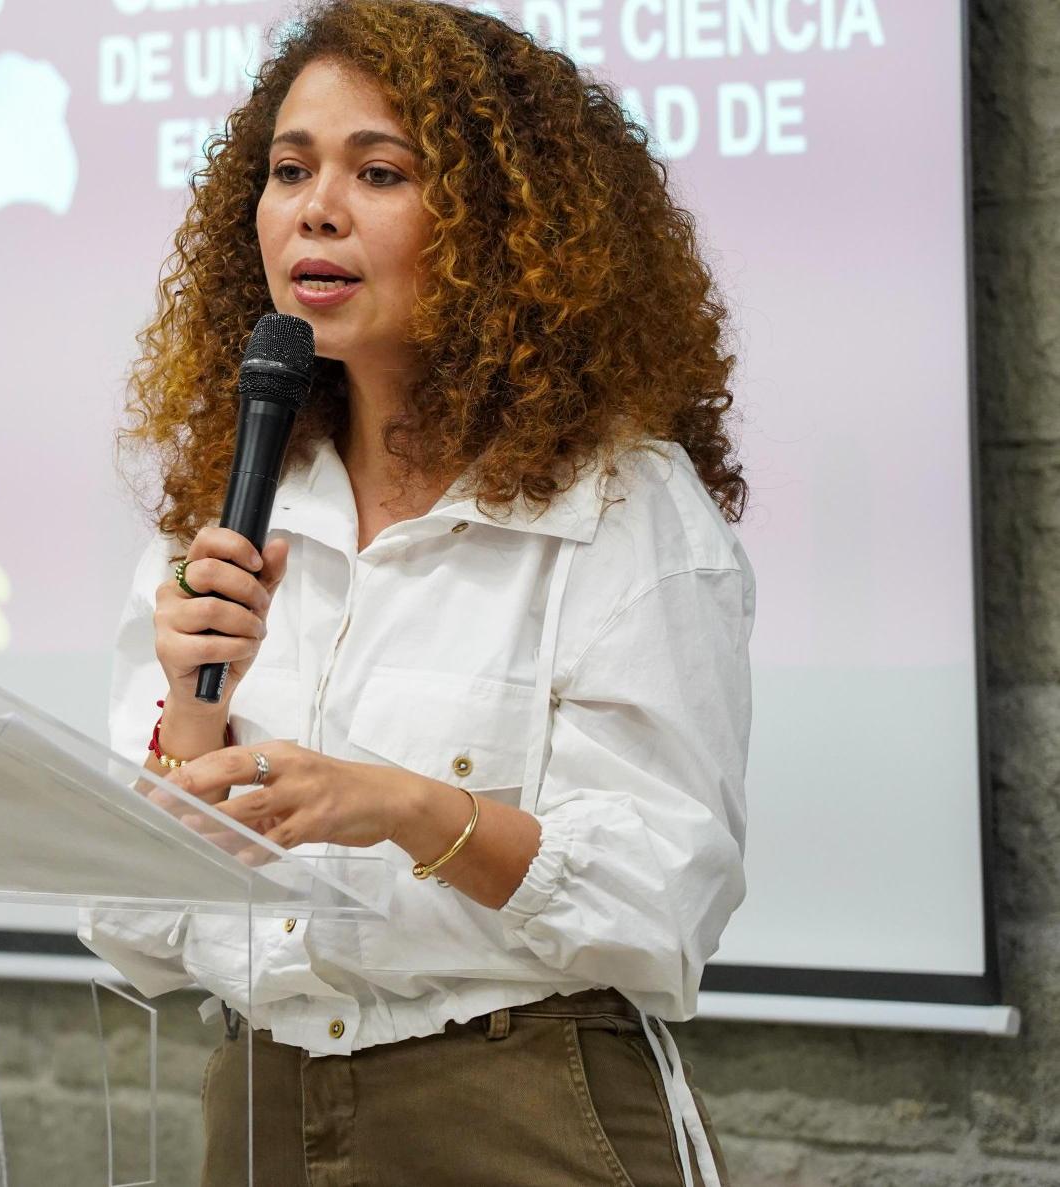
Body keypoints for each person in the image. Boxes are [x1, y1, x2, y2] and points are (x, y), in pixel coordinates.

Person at [78, 3, 753, 1185]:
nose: (314, 208)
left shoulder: (615, 507)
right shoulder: (235, 508)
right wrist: (192, 719)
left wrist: (398, 807)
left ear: (502, 227)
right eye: (289, 171)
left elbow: (659, 897)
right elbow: (130, 924)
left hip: (514, 1099)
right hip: (257, 1099)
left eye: (376, 171)